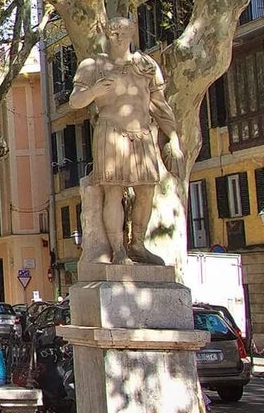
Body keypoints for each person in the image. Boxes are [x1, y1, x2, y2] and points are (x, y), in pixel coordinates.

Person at [68, 16, 185, 265]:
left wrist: (173, 137)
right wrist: (94, 91)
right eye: (112, 31)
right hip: (110, 133)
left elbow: (160, 106)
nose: (117, 36)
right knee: (113, 191)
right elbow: (75, 101)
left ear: (133, 33)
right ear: (106, 34)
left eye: (122, 31)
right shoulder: (93, 65)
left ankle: (138, 244)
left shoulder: (146, 65)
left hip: (143, 134)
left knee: (146, 190)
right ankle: (118, 250)